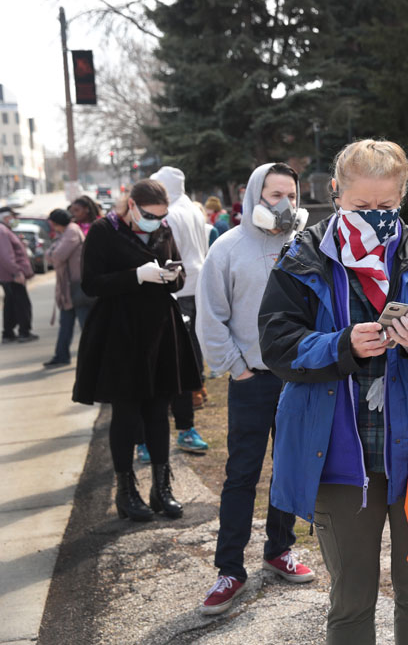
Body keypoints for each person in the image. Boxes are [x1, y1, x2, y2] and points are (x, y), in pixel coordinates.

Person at [257, 139, 408, 644]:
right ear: (335, 193)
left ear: (402, 197)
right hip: (335, 454)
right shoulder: (303, 256)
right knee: (352, 597)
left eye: (386, 207)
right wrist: (341, 346)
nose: (375, 217)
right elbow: (276, 345)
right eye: (362, 206)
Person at [195, 162, 315, 615]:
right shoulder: (226, 249)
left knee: (288, 467)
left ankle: (279, 548)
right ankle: (229, 570)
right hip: (252, 378)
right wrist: (238, 368)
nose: (283, 205)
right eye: (273, 195)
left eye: (290, 195)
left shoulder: (305, 246)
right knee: (242, 473)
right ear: (252, 196)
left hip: (298, 378)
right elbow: (211, 318)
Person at [72, 180, 201, 522]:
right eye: (148, 215)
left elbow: (177, 267)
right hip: (120, 334)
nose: (155, 222)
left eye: (160, 217)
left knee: (160, 411)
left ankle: (162, 488)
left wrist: (172, 275)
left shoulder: (163, 228)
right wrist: (136, 276)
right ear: (131, 205)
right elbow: (91, 283)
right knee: (126, 415)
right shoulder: (104, 231)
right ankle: (126, 491)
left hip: (160, 330)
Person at [154, 166, 210, 453]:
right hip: (197, 278)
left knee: (183, 345)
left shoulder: (171, 214)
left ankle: (194, 390)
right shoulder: (192, 209)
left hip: (182, 283)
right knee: (194, 341)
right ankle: (198, 387)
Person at [43, 209, 91, 367]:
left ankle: (96, 355)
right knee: (66, 324)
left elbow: (57, 256)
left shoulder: (71, 231)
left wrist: (51, 253)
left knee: (86, 325)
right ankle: (61, 355)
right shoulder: (65, 232)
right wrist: (52, 253)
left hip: (76, 288)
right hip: (68, 288)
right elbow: (52, 255)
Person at [0, 206, 37, 343]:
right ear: (6, 217)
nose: (15, 220)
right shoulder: (2, 231)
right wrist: (16, 272)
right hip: (12, 276)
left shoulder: (5, 230)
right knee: (22, 304)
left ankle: (8, 333)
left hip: (8, 275)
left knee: (10, 304)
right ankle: (24, 332)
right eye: (13, 217)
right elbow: (5, 256)